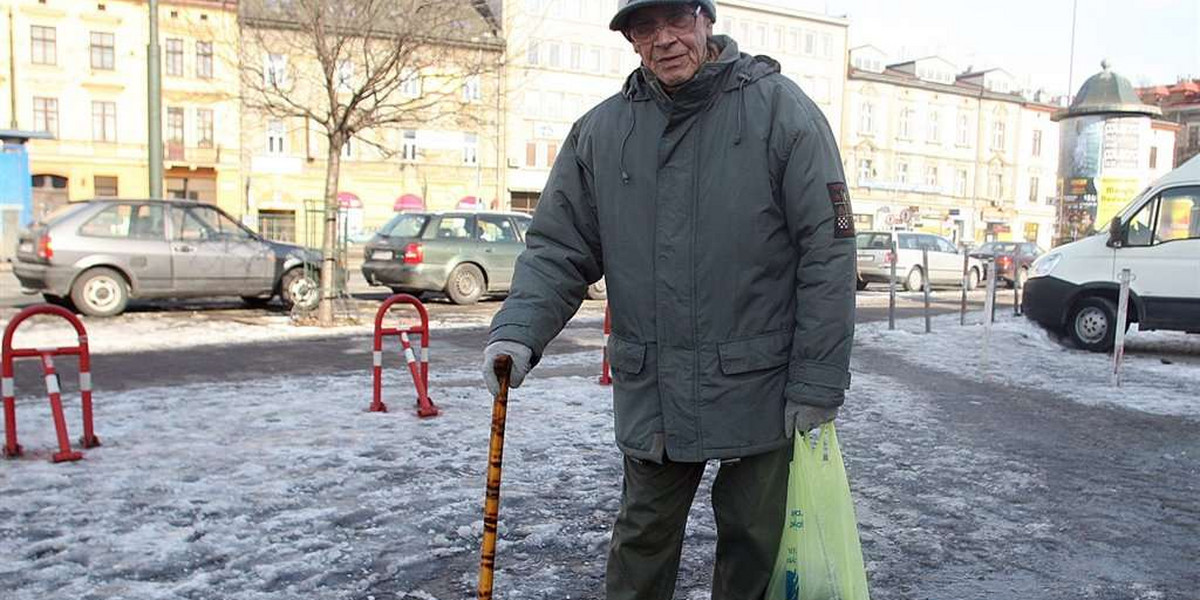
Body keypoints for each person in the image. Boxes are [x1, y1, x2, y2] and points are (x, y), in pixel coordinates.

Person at [482, 0, 855, 597]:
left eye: (676, 20)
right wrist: (518, 329)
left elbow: (828, 253)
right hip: (655, 387)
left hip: (758, 385)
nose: (664, 40)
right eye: (644, 27)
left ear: (705, 20)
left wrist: (816, 380)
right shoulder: (603, 132)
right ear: (630, 39)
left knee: (755, 544)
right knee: (641, 542)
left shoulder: (782, 112)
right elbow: (558, 248)